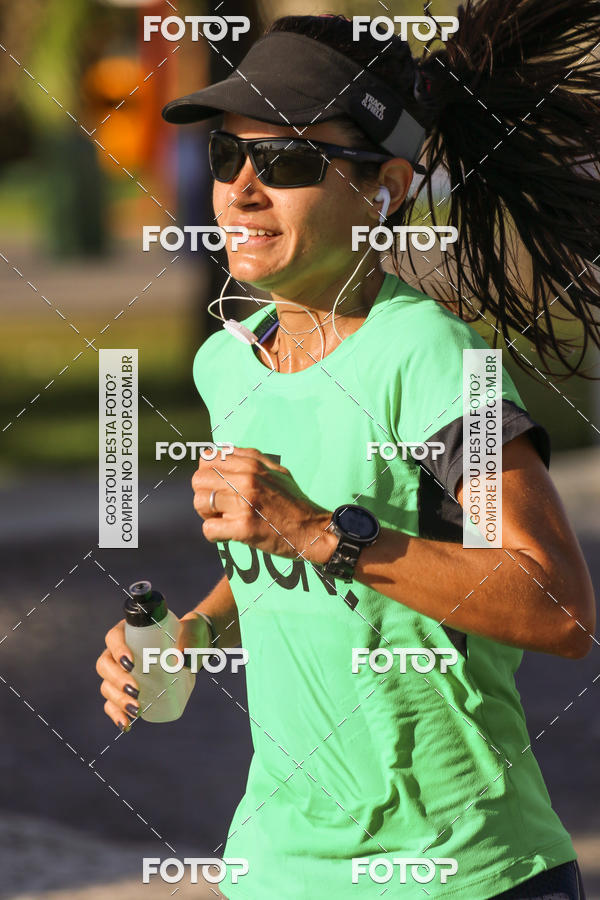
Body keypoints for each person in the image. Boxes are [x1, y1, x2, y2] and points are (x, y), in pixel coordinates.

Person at [96, 6, 600, 898]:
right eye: (227, 155)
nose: (242, 189)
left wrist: (325, 531)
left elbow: (559, 607)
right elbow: (268, 566)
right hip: (279, 864)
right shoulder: (228, 363)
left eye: (286, 161)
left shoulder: (439, 362)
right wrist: (195, 631)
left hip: (459, 871)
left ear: (386, 187)